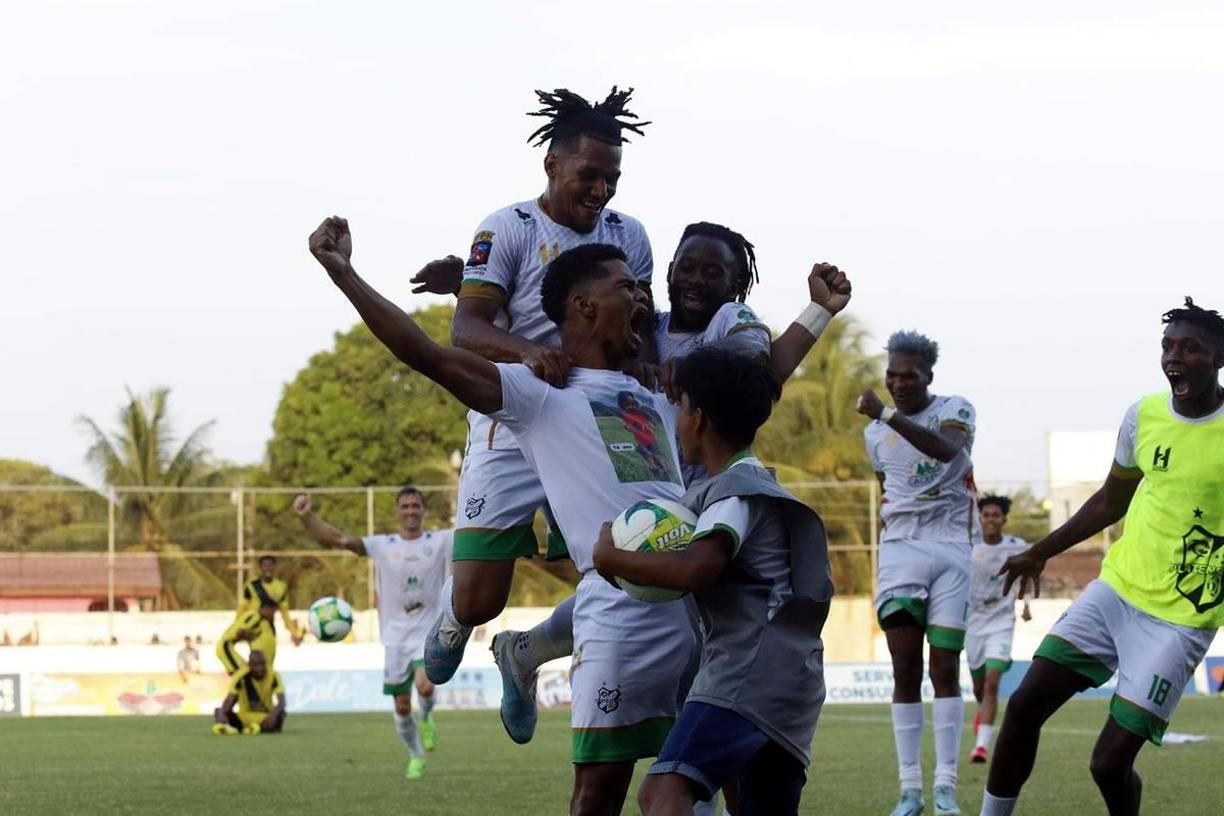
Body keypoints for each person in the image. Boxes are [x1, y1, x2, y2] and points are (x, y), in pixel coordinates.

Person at [308, 218, 848, 815]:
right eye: (626, 287)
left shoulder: (660, 392)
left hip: (701, 621)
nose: (642, 294)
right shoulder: (537, 397)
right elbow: (425, 353)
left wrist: (818, 314)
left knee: (731, 788)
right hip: (620, 621)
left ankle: (527, 650)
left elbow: (755, 383)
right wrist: (345, 275)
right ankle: (495, 636)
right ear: (585, 306)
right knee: (598, 799)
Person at [489, 223, 848, 746]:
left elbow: (758, 372)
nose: (696, 279)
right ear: (669, 268)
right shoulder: (641, 323)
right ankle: (530, 655)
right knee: (625, 587)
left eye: (714, 271)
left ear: (734, 285)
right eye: (687, 266)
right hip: (648, 488)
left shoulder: (731, 321)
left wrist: (816, 312)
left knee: (677, 611)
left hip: (708, 492)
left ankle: (529, 651)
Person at [421, 88, 657, 688]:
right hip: (516, 411)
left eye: (612, 178)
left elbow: (641, 325)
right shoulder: (508, 227)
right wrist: (529, 351)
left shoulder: (630, 234)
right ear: (552, 164)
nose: (601, 191)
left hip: (595, 420)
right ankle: (456, 615)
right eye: (589, 175)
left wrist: (652, 373)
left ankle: (526, 653)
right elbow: (466, 327)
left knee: (639, 570)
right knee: (480, 602)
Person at [980, 297, 1224, 816]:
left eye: (1191, 348)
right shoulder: (1144, 416)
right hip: (1115, 592)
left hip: (1180, 619)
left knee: (1108, 765)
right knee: (1023, 707)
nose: (1174, 357)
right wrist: (1038, 552)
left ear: (1219, 359)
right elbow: (1111, 501)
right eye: (1167, 346)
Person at [592, 348, 834, 816]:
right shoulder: (749, 483)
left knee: (661, 793)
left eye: (680, 407)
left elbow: (694, 569)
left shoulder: (733, 492)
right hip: (789, 680)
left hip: (748, 671)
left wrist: (611, 556)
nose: (677, 420)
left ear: (698, 418)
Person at [856, 330, 978, 816]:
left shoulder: (956, 409)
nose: (899, 383)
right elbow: (891, 487)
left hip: (951, 549)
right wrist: (884, 419)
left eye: (909, 375)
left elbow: (947, 451)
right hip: (902, 550)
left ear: (929, 376)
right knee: (904, 667)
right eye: (892, 375)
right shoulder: (873, 436)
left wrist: (887, 413)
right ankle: (910, 792)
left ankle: (945, 788)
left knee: (944, 668)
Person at [293, 486, 452, 781]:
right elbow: (338, 539)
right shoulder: (382, 545)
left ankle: (427, 715)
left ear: (424, 511)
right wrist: (307, 517)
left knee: (426, 687)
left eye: (415, 505)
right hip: (393, 638)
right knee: (402, 706)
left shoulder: (442, 540)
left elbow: (477, 535)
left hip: (428, 632)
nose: (410, 511)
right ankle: (416, 755)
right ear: (396, 513)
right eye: (404, 506)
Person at [966, 495, 1030, 764]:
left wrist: (1025, 603)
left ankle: (981, 747)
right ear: (980, 519)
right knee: (980, 688)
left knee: (992, 685)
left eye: (996, 515)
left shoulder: (1016, 547)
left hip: (1002, 620)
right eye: (986, 515)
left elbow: (1027, 574)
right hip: (973, 622)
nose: (991, 519)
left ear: (1004, 519)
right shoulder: (968, 546)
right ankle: (982, 712)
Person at [237, 554, 305, 647]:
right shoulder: (252, 585)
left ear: (275, 567)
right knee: (257, 658)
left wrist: (294, 633)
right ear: (261, 568)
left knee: (268, 660)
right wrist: (238, 627)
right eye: (265, 565)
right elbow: (242, 608)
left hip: (269, 630)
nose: (268, 568)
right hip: (253, 629)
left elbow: (285, 615)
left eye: (271, 565)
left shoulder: (281, 587)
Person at [212, 650, 286, 735]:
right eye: (256, 665)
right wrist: (222, 713)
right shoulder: (240, 676)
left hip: (265, 717)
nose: (260, 668)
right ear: (249, 665)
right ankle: (251, 728)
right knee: (219, 711)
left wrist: (273, 715)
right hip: (243, 717)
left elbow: (282, 702)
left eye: (262, 664)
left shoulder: (273, 675)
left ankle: (247, 729)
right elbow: (230, 700)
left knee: (280, 714)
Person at [215, 602, 278, 676]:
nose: (272, 615)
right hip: (226, 646)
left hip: (228, 646)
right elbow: (240, 632)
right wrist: (250, 637)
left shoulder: (257, 617)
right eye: (272, 612)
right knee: (243, 675)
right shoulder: (255, 616)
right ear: (265, 609)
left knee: (246, 673)